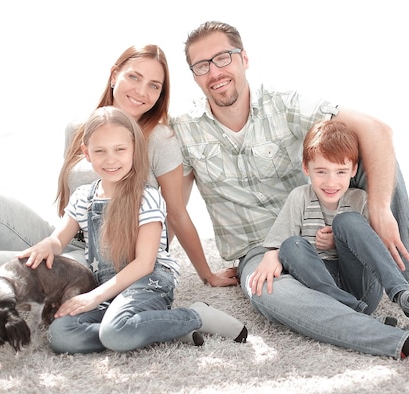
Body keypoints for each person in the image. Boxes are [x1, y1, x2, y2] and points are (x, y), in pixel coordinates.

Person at [170, 21, 409, 382]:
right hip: (260, 251)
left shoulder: (284, 104)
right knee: (265, 292)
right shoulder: (185, 129)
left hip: (323, 226)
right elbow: (173, 208)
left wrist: (379, 210)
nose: (215, 72)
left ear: (243, 59)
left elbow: (379, 131)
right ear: (193, 75)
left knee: (374, 157)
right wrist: (202, 271)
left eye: (222, 58)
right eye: (201, 65)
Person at [0, 44, 235, 338]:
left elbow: (175, 212)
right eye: (134, 77)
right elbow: (72, 206)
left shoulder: (159, 140)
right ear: (114, 76)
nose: (141, 91)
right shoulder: (79, 128)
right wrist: (51, 243)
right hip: (69, 238)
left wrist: (206, 273)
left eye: (154, 85)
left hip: (101, 259)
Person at [18, 106, 246, 353]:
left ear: (134, 151)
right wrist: (46, 246)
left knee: (115, 333)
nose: (111, 159)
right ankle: (157, 329)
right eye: (100, 151)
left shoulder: (146, 197)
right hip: (107, 286)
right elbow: (58, 239)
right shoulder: (85, 196)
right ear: (86, 153)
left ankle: (195, 316)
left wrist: (93, 298)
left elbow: (144, 264)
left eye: (120, 149)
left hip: (147, 282)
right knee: (61, 336)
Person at [263, 120, 409, 317]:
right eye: (321, 172)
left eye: (340, 172)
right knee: (291, 245)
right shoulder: (299, 197)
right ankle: (354, 312)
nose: (330, 182)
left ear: (353, 170)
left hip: (362, 289)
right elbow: (281, 244)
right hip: (325, 290)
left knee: (347, 221)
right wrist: (272, 253)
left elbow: (372, 248)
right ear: (306, 168)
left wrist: (337, 241)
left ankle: (401, 292)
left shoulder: (360, 199)